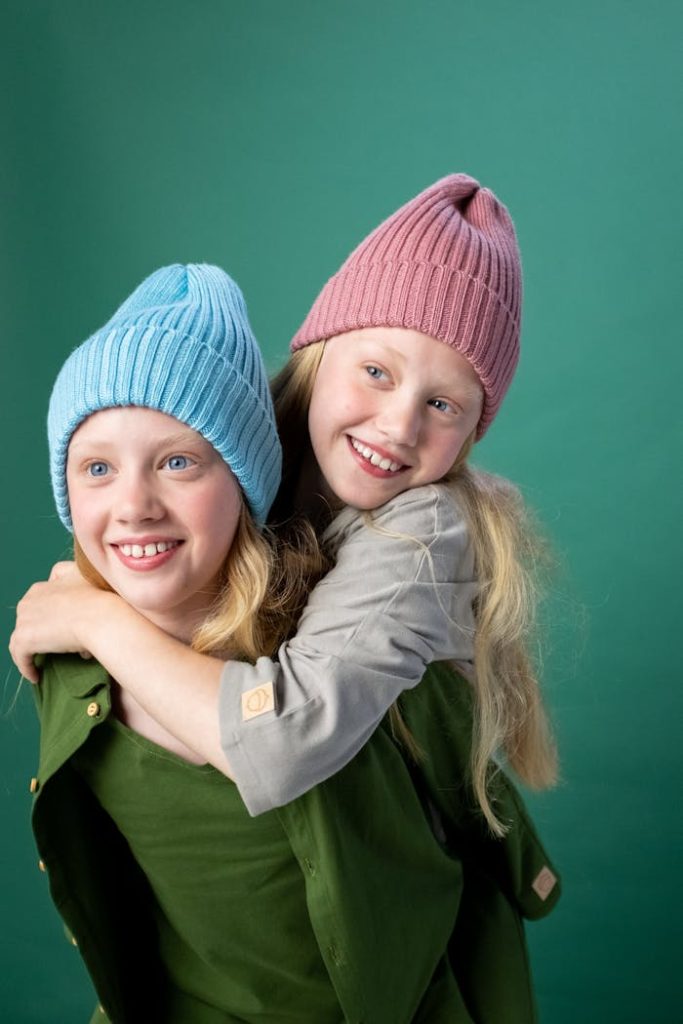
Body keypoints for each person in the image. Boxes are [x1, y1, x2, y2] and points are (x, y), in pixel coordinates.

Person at [12, 174, 557, 836]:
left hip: (387, 880)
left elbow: (281, 741)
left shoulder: (425, 529)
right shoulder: (233, 448)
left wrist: (98, 620)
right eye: (376, 373)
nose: (396, 426)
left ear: (472, 430)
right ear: (319, 349)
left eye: (441, 406)